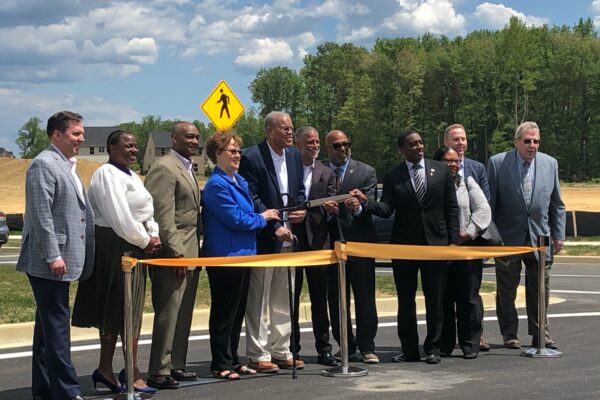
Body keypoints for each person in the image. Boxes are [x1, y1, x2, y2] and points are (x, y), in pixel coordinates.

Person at [72, 130, 161, 394]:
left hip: (135, 245)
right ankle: (109, 369)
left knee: (131, 313)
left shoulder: (133, 175)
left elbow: (147, 211)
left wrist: (152, 233)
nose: (133, 150)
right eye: (127, 146)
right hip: (115, 245)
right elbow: (118, 217)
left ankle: (128, 368)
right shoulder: (106, 174)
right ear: (111, 147)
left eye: (135, 146)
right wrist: (146, 241)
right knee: (115, 310)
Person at [16, 111, 95, 400]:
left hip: (60, 259)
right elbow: (40, 214)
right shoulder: (43, 164)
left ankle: (46, 391)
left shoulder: (66, 165)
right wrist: (53, 255)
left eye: (81, 133)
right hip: (48, 261)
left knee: (48, 331)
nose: (81, 138)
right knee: (58, 328)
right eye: (76, 133)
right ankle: (68, 393)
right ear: (56, 135)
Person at [364, 130, 459, 364]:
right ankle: (409, 349)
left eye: (420, 143)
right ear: (402, 150)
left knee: (435, 299)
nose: (419, 147)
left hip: (435, 243)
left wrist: (453, 242)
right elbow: (386, 209)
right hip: (404, 246)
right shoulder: (394, 175)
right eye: (412, 144)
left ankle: (433, 348)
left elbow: (452, 207)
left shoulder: (441, 170)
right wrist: (367, 203)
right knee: (406, 299)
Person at [202, 130, 280, 379]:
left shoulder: (239, 181)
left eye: (239, 151)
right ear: (217, 154)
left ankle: (234, 359)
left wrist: (259, 217)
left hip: (245, 254)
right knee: (224, 311)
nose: (237, 155)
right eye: (232, 151)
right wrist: (263, 218)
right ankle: (220, 363)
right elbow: (235, 219)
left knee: (237, 312)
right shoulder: (216, 185)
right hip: (225, 256)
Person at [238, 111, 306, 373]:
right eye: (285, 128)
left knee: (284, 297)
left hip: (292, 238)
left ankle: (281, 350)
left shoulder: (294, 156)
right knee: (260, 296)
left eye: (291, 128)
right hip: (266, 239)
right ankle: (258, 353)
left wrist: (301, 210)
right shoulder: (252, 157)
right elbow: (252, 198)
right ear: (269, 131)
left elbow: (299, 190)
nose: (290, 132)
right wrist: (274, 226)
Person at [488, 121, 566, 350]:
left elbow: (557, 204)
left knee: (540, 289)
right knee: (507, 289)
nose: (532, 145)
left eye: (536, 141)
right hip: (507, 239)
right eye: (527, 141)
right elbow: (489, 206)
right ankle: (509, 333)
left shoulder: (550, 164)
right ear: (517, 142)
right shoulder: (498, 163)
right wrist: (493, 239)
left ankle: (540, 333)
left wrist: (558, 235)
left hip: (540, 239)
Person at [145, 122, 202, 390]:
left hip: (192, 252)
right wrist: (176, 252)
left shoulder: (188, 168)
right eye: (189, 136)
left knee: (183, 313)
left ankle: (176, 364)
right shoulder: (164, 167)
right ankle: (158, 369)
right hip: (174, 254)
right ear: (173, 138)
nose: (194, 141)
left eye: (197, 137)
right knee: (168, 312)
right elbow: (163, 217)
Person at [322, 129, 380, 364]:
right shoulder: (322, 173)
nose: (343, 148)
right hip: (332, 246)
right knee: (337, 300)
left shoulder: (366, 171)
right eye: (337, 145)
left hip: (361, 244)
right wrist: (327, 212)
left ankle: (367, 346)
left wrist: (357, 206)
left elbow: (371, 207)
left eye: (346, 143)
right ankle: (346, 344)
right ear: (328, 149)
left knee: (365, 298)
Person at [433, 145, 491, 359]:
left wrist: (467, 233)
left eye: (456, 161)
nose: (454, 164)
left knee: (468, 298)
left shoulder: (467, 182)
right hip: (440, 250)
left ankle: (469, 344)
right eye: (449, 161)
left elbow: (484, 210)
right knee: (443, 299)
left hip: (466, 248)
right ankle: (444, 345)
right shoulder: (432, 185)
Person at [291, 126, 338, 366]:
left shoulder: (327, 172)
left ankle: (324, 349)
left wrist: (331, 211)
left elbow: (331, 206)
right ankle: (292, 349)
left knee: (320, 300)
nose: (315, 145)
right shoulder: (289, 168)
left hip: (319, 243)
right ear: (298, 144)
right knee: (291, 298)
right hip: (294, 242)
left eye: (317, 141)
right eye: (309, 141)